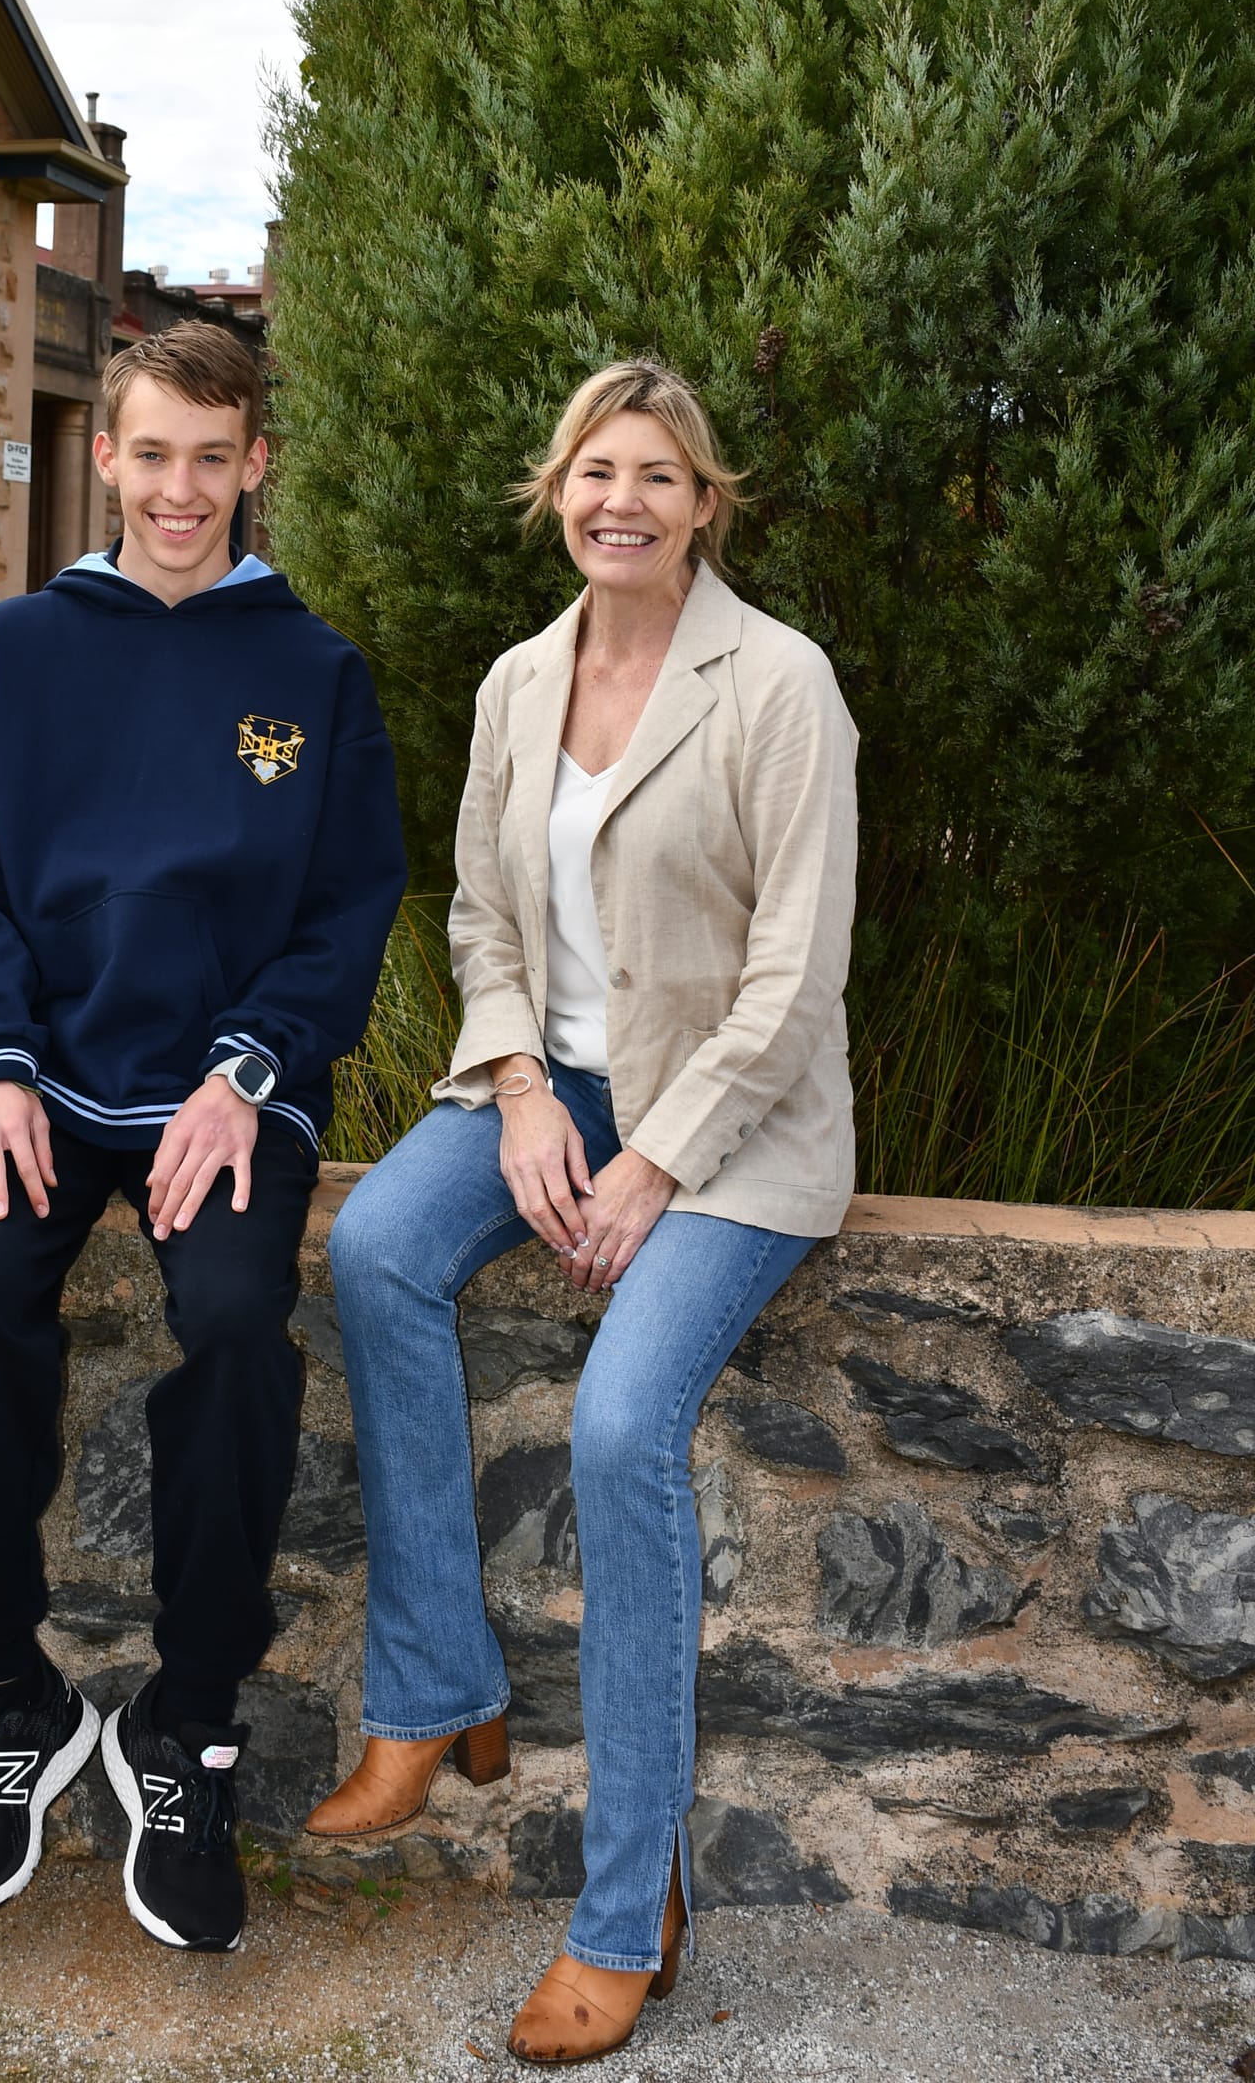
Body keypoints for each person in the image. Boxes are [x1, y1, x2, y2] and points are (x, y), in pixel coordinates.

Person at [309, 360, 857, 2066]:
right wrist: (525, 1089)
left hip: (739, 1128)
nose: (622, 501)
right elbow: (482, 918)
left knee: (622, 1425)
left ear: (704, 505)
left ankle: (629, 1907)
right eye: (594, 473)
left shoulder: (780, 683)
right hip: (552, 1090)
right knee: (374, 1249)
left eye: (657, 476)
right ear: (557, 492)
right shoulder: (517, 681)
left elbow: (796, 976)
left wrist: (659, 1157)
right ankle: (435, 1690)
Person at [0, 318, 406, 1954]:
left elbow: (347, 909)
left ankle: (189, 1722)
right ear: (104, 457)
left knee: (244, 1324)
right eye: (151, 455)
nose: (179, 489)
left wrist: (249, 1070)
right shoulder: (16, 651)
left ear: (254, 463)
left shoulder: (314, 672)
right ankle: (10, 1695)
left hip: (226, 1088)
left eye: (212, 458)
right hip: (38, 1076)